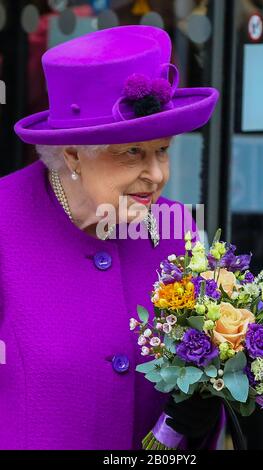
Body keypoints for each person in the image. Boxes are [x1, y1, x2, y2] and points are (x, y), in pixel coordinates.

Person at [0, 24, 223, 450]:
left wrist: (202, 414)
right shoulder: (4, 224)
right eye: (132, 153)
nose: (157, 175)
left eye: (163, 150)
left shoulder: (178, 234)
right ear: (72, 155)